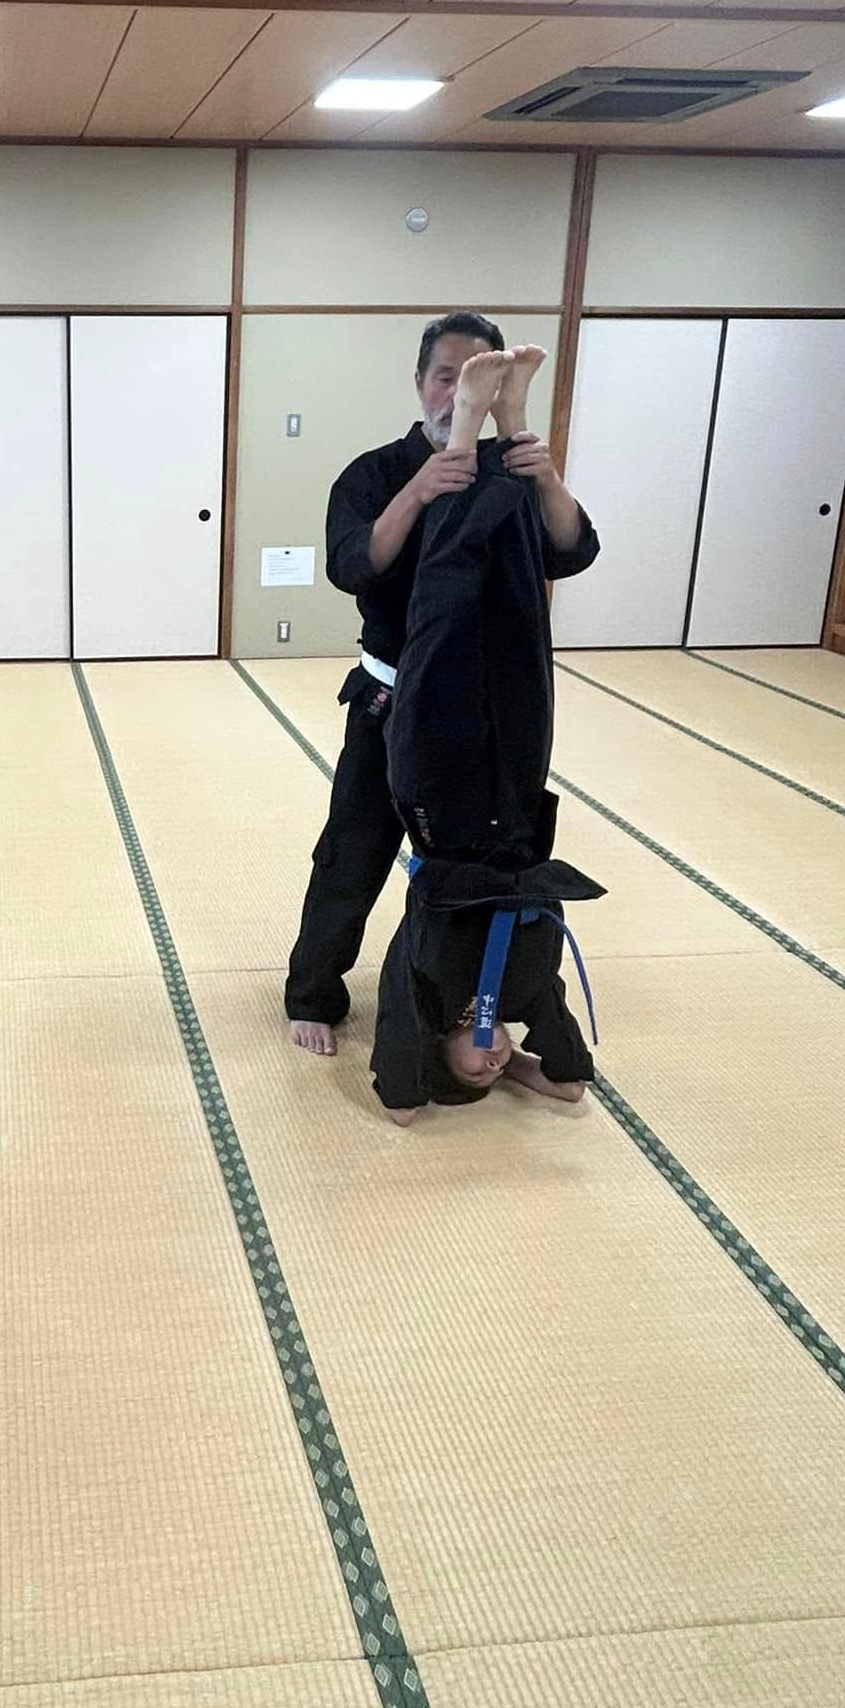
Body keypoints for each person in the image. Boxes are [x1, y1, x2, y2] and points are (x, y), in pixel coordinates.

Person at [285, 312, 601, 1058]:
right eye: (445, 377)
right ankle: (313, 994)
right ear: (420, 381)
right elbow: (353, 565)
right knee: (354, 851)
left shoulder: (508, 471)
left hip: (484, 709)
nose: (454, 392)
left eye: (472, 381)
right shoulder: (374, 472)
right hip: (390, 699)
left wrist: (544, 474)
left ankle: (466, 992)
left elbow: (570, 551)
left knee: (489, 857)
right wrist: (420, 491)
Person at [367, 345, 604, 1123]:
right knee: (518, 615)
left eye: (473, 1068)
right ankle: (515, 423)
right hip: (516, 799)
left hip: (436, 791)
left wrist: (422, 1082)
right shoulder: (528, 992)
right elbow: (570, 1082)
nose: (490, 1059)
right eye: (494, 1070)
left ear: (442, 1048)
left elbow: (401, 1098)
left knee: (447, 601)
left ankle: (470, 426)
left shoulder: (431, 988)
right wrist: (525, 1067)